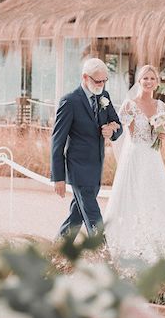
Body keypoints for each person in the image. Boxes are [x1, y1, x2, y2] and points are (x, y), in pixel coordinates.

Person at [104, 64, 165, 261]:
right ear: (139, 81)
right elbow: (119, 129)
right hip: (135, 156)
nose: (148, 82)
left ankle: (155, 244)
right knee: (134, 196)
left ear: (157, 82)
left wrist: (162, 133)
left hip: (153, 157)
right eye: (145, 78)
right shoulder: (130, 104)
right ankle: (128, 245)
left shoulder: (160, 106)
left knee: (156, 196)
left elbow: (160, 134)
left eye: (152, 78)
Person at [51, 58, 122, 241]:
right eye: (98, 81)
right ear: (85, 77)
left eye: (105, 80)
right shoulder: (69, 101)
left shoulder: (103, 95)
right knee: (93, 216)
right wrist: (58, 177)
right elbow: (57, 142)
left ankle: (57, 251)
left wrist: (111, 129)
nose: (102, 84)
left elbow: (117, 124)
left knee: (76, 215)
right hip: (77, 168)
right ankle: (105, 259)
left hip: (96, 166)